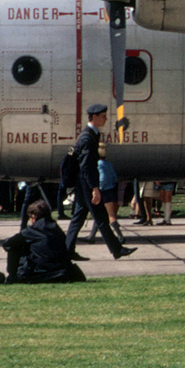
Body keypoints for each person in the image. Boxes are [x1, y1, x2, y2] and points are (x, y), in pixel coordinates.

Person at [65, 104, 133, 261]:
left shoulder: (91, 135)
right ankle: (117, 249)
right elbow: (87, 166)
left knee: (79, 217)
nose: (106, 119)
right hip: (87, 182)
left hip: (83, 182)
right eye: (103, 116)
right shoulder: (88, 137)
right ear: (94, 118)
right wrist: (95, 188)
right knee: (101, 217)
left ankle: (67, 251)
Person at [4, 200, 87, 282]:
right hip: (60, 271)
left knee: (14, 246)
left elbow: (8, 243)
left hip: (38, 272)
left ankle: (13, 277)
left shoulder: (33, 230)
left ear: (33, 216)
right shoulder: (56, 229)